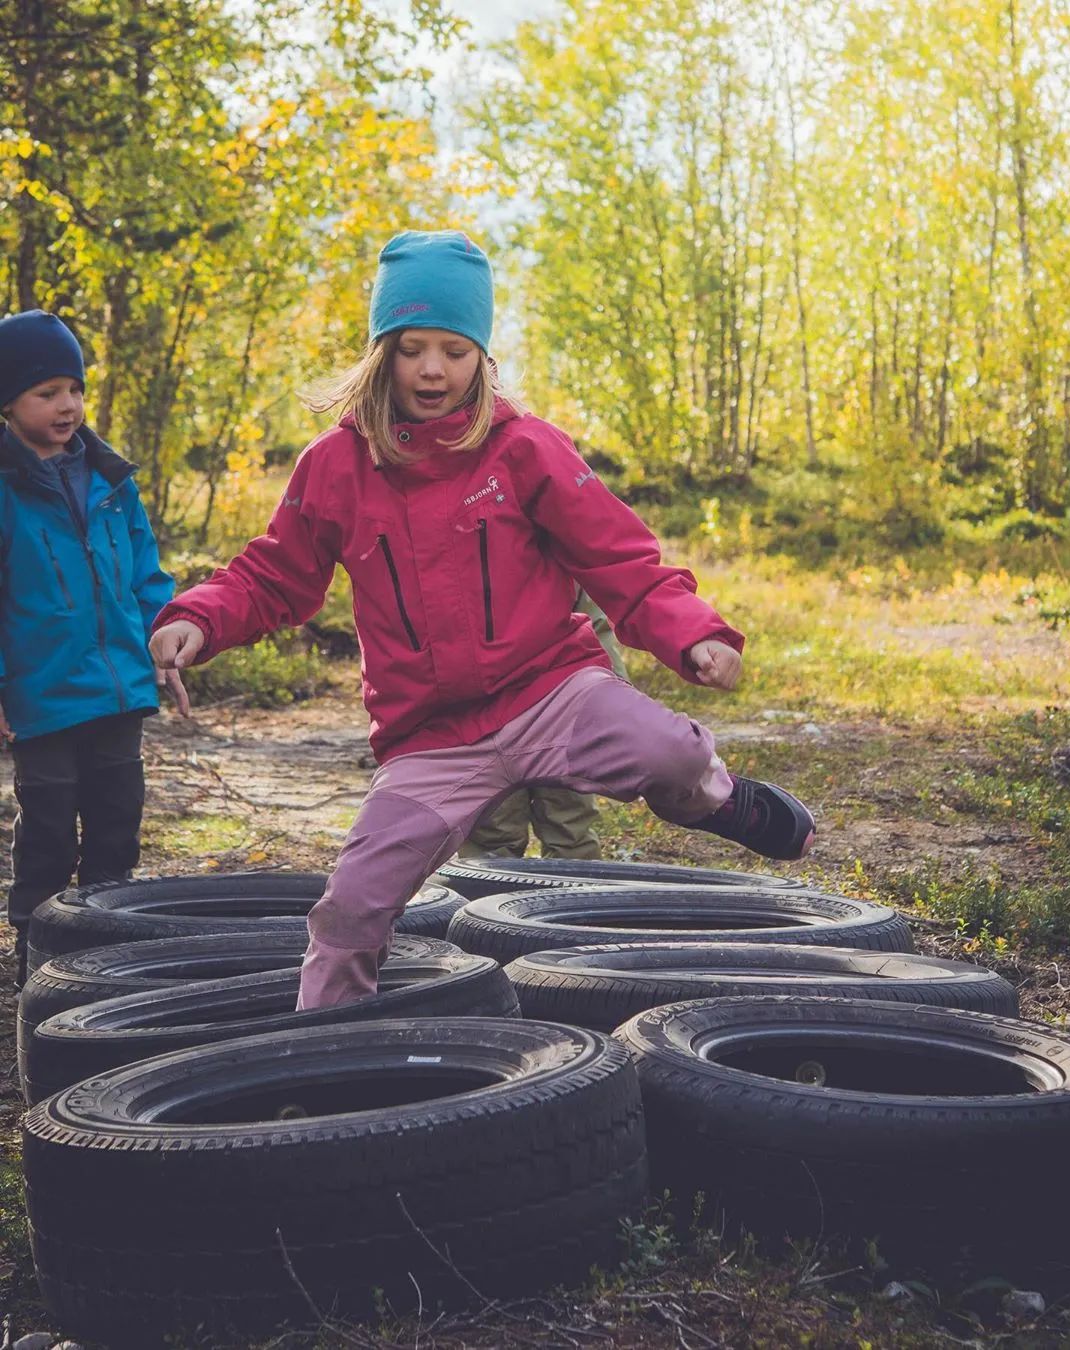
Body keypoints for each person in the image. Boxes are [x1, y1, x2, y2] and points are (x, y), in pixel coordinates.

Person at [150, 229, 815, 1011]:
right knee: (349, 910)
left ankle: (721, 802)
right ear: (381, 353)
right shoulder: (333, 467)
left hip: (550, 695)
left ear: (481, 359)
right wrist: (199, 618)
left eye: (455, 351)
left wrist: (693, 631)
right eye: (413, 348)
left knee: (670, 750)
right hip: (431, 739)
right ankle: (320, 1062)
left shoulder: (524, 449)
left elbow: (619, 555)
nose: (433, 370)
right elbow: (273, 575)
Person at [0, 310, 187, 988]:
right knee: (47, 837)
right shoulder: (6, 486)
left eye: (73, 389)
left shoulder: (112, 479)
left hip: (117, 691)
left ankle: (112, 963)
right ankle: (37, 967)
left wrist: (162, 642)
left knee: (116, 829)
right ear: (10, 402)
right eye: (46, 393)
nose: (67, 406)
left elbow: (144, 573)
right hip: (42, 695)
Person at [459, 588, 628, 860]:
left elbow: (595, 627)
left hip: (564, 698)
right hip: (489, 703)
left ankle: (577, 892)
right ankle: (483, 890)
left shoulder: (561, 554)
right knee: (492, 824)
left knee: (569, 817)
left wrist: (615, 696)